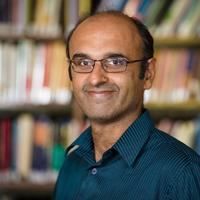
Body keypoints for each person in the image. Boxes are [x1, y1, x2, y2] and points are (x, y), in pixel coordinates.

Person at [54, 11, 200, 200]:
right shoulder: (72, 163)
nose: (96, 78)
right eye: (83, 62)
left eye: (115, 62)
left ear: (148, 73)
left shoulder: (183, 175)